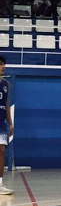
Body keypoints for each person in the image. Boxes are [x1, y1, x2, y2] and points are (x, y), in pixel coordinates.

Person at [0, 56, 13, 195]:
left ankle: (0, 183)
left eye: (4, 64)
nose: (3, 67)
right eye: (0, 64)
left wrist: (10, 122)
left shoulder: (6, 84)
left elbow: (6, 104)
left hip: (1, 122)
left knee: (2, 151)